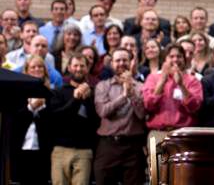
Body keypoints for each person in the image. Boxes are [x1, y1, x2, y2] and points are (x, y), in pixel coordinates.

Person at [94, 48, 146, 184]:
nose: (121, 63)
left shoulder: (140, 87)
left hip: (133, 146)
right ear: (112, 63)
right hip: (108, 144)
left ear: (131, 63)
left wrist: (132, 92)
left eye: (125, 60)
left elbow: (142, 115)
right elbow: (103, 112)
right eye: (118, 60)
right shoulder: (102, 86)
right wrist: (123, 96)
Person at [49, 52, 100, 185]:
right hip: (60, 149)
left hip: (84, 150)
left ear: (87, 68)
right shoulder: (59, 92)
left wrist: (88, 99)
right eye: (75, 66)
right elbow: (57, 118)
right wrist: (75, 99)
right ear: (69, 68)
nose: (78, 69)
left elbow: (96, 122)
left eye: (82, 66)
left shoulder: (94, 93)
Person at [10, 55, 53, 184]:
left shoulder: (51, 93)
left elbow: (53, 123)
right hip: (21, 149)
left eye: (40, 66)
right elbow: (15, 121)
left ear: (45, 70)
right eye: (33, 67)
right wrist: (31, 107)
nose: (37, 69)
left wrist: (42, 109)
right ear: (27, 70)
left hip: (42, 150)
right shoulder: (18, 93)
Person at [142, 43, 203, 131]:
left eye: (179, 56)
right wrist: (162, 81)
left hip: (183, 133)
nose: (175, 59)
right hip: (157, 133)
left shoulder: (193, 80)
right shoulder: (153, 78)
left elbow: (195, 107)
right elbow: (148, 105)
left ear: (184, 59)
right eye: (171, 56)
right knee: (152, 144)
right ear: (165, 60)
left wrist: (181, 85)